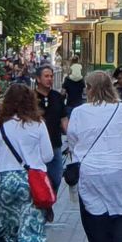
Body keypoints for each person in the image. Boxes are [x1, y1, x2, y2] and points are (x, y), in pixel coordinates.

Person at [68, 71, 122, 242]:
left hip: (91, 171)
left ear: (90, 89)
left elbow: (72, 139)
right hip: (120, 169)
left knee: (93, 216)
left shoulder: (80, 112)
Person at [0, 85, 52, 242]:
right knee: (30, 226)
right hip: (31, 180)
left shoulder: (0, 126)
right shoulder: (38, 124)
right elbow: (48, 155)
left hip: (6, 178)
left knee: (9, 227)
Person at [34, 66, 70, 220]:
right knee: (39, 178)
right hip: (35, 147)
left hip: (54, 143)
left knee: (55, 177)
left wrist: (70, 134)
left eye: (51, 76)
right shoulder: (31, 97)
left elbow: (63, 118)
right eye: (46, 76)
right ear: (38, 79)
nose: (49, 79)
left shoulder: (57, 97)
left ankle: (47, 202)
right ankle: (41, 207)